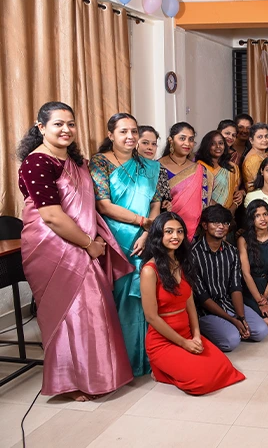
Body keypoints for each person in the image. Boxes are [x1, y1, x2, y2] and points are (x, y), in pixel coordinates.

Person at [17, 102, 134, 400]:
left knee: (91, 311)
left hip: (79, 242)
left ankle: (92, 375)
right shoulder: (36, 163)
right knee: (67, 314)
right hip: (52, 245)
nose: (66, 129)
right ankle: (68, 382)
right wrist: (89, 244)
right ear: (41, 127)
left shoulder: (74, 160)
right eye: (58, 124)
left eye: (70, 123)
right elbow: (52, 216)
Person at [89, 113, 163, 377]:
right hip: (114, 238)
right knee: (118, 297)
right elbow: (103, 204)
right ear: (111, 135)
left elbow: (156, 201)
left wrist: (149, 230)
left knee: (144, 296)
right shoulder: (100, 162)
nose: (130, 136)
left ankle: (144, 358)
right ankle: (120, 364)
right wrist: (142, 222)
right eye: (123, 132)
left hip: (145, 238)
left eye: (134, 131)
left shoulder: (150, 166)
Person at [140, 212, 245, 394]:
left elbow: (190, 305)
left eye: (180, 231)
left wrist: (196, 335)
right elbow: (151, 316)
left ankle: (174, 366)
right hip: (163, 341)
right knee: (201, 383)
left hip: (187, 334)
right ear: (158, 235)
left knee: (226, 369)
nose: (175, 236)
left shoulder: (183, 263)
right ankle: (161, 370)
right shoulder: (150, 270)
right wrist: (183, 343)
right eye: (169, 231)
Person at [191, 205, 268, 351]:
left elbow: (235, 287)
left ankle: (231, 327)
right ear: (205, 225)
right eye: (215, 222)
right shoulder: (193, 255)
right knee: (232, 341)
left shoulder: (231, 251)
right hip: (205, 311)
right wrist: (232, 320)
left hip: (228, 304)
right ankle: (212, 331)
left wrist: (241, 317)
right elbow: (202, 297)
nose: (221, 226)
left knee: (261, 331)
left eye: (225, 223)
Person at [159, 122, 211, 240]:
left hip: (195, 232)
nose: (187, 143)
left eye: (191, 139)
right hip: (165, 230)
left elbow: (203, 201)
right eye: (182, 138)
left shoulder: (199, 169)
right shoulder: (157, 167)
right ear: (171, 140)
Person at [237, 200, 268, 327]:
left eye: (265, 214)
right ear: (251, 219)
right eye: (257, 216)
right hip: (250, 288)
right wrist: (260, 300)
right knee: (267, 322)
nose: (263, 219)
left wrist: (266, 295)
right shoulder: (243, 240)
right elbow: (246, 274)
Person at [196, 130, 244, 215]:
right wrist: (222, 213)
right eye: (212, 144)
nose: (218, 146)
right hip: (208, 215)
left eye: (221, 143)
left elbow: (235, 195)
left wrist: (232, 209)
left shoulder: (232, 167)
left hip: (229, 215)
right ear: (206, 146)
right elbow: (201, 196)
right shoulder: (199, 167)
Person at [137, 125, 171, 210]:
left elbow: (165, 198)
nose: (150, 147)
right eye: (145, 143)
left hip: (155, 217)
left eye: (154, 144)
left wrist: (166, 203)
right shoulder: (127, 166)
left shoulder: (159, 168)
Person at [241, 123, 268, 192]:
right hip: (258, 197)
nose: (264, 140)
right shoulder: (253, 159)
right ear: (251, 140)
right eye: (260, 137)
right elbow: (262, 183)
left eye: (266, 136)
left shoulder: (264, 154)